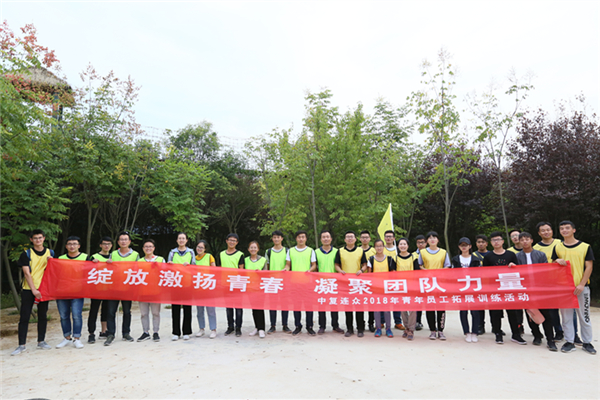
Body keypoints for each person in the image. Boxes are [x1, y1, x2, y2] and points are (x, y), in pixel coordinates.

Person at [552, 221, 596, 355]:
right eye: (561, 228)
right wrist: (556, 261)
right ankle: (569, 341)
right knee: (566, 317)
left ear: (574, 230)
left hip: (581, 288)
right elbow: (553, 265)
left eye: (567, 228)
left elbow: (589, 266)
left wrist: (582, 284)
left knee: (584, 316)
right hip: (564, 288)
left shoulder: (585, 247)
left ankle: (587, 342)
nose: (564, 230)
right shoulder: (558, 247)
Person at [12, 230, 54, 356]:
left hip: (44, 288)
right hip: (28, 289)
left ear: (44, 238)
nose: (38, 240)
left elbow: (53, 270)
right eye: (35, 238)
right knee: (24, 316)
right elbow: (26, 273)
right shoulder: (26, 253)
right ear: (31, 240)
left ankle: (41, 341)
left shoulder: (50, 253)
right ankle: (21, 344)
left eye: (40, 238)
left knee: (42, 315)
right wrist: (34, 290)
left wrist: (51, 261)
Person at [515, 232, 557, 351]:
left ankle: (550, 339)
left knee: (546, 314)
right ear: (519, 242)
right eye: (522, 240)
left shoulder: (540, 255)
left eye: (527, 239)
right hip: (525, 289)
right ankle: (537, 335)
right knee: (530, 314)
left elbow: (545, 271)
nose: (525, 242)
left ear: (532, 240)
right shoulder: (517, 256)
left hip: (540, 289)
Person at [482, 231, 524, 345]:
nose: (496, 242)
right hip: (494, 288)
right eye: (494, 240)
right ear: (491, 242)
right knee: (495, 312)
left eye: (498, 240)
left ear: (503, 241)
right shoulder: (488, 257)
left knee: (513, 312)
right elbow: (484, 273)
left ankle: (516, 334)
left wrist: (513, 267)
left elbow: (518, 270)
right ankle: (498, 333)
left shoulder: (511, 254)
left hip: (509, 287)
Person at [104, 231, 139, 346]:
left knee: (127, 311)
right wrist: (107, 263)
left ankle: (126, 333)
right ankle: (110, 334)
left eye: (125, 239)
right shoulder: (113, 254)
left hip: (127, 288)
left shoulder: (135, 255)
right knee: (111, 312)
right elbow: (107, 269)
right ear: (118, 242)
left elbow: (140, 270)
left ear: (129, 241)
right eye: (121, 239)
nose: (123, 241)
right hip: (113, 287)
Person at [533, 221, 565, 342]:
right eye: (543, 230)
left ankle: (569, 333)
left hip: (560, 281)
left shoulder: (561, 243)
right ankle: (556, 332)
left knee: (565, 309)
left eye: (548, 229)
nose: (546, 232)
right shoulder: (536, 248)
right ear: (539, 233)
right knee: (550, 310)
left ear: (552, 231)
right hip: (544, 283)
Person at [55, 236, 87, 349]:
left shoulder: (85, 257)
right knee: (64, 316)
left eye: (74, 244)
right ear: (66, 246)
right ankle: (67, 337)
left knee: (76, 315)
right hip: (62, 291)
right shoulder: (60, 258)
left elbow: (90, 272)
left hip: (78, 291)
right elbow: (55, 273)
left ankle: (76, 338)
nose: (72, 246)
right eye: (69, 244)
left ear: (79, 246)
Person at [418, 231, 451, 340]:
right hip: (428, 284)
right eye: (430, 238)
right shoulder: (423, 252)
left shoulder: (443, 252)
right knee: (430, 307)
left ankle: (441, 330)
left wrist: (438, 272)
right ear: (427, 241)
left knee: (441, 307)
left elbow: (447, 265)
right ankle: (432, 330)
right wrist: (428, 271)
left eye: (434, 237)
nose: (432, 239)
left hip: (440, 283)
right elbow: (419, 265)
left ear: (438, 240)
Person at [335, 231, 368, 337]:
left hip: (358, 283)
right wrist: (340, 271)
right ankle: (349, 328)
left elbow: (365, 264)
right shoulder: (340, 251)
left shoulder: (360, 251)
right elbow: (336, 264)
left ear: (355, 239)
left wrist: (361, 270)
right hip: (345, 283)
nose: (349, 238)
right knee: (348, 306)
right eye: (347, 237)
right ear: (345, 240)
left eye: (351, 237)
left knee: (359, 306)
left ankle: (360, 329)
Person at [285, 230, 317, 336]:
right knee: (296, 306)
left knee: (309, 306)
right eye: (299, 237)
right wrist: (285, 269)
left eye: (303, 237)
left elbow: (314, 265)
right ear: (296, 239)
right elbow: (288, 265)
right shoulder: (291, 250)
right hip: (295, 282)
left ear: (306, 238)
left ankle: (309, 326)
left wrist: (310, 270)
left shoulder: (310, 250)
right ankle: (298, 326)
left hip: (307, 282)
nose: (301, 239)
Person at [313, 230, 344, 335]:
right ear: (321, 239)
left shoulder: (337, 251)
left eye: (327, 237)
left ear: (331, 239)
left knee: (334, 304)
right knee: (321, 305)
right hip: (321, 282)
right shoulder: (316, 252)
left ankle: (335, 325)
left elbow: (339, 265)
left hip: (334, 282)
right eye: (323, 237)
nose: (326, 239)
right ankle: (322, 326)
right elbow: (314, 266)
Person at [450, 237, 481, 343]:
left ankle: (474, 332)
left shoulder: (476, 259)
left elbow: (480, 274)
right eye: (462, 245)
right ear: (459, 247)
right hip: (461, 288)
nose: (464, 247)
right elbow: (453, 273)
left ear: (470, 246)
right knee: (463, 311)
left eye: (466, 245)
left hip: (473, 288)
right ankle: (466, 332)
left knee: (475, 311)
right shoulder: (455, 259)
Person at [167, 232, 195, 341]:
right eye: (179, 238)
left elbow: (194, 267)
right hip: (175, 283)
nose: (181, 240)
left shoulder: (191, 252)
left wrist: (189, 266)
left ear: (187, 240)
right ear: (177, 240)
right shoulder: (172, 252)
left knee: (187, 308)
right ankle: (176, 332)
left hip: (187, 283)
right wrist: (169, 265)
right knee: (175, 309)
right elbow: (167, 268)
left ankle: (186, 332)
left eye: (183, 238)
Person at [137, 239, 164, 342]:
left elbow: (166, 273)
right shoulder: (139, 261)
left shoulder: (160, 259)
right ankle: (145, 332)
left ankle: (156, 332)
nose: (148, 248)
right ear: (143, 248)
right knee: (144, 313)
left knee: (155, 313)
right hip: (142, 291)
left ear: (154, 248)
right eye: (146, 246)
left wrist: (158, 267)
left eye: (150, 246)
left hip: (156, 291)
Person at [368, 239, 396, 338]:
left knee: (387, 309)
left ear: (384, 247)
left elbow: (393, 273)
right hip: (375, 288)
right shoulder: (371, 259)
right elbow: (369, 274)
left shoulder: (389, 259)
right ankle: (378, 328)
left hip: (386, 288)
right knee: (376, 309)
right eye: (377, 246)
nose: (379, 248)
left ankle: (388, 328)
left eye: (381, 246)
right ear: (374, 248)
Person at [265, 230, 291, 334]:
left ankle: (285, 325)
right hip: (272, 281)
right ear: (272, 239)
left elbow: (288, 264)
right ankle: (273, 325)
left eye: (278, 237)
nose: (276, 239)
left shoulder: (287, 250)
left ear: (282, 239)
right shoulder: (268, 251)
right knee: (272, 305)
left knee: (285, 304)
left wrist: (285, 269)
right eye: (274, 237)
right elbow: (266, 266)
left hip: (284, 281)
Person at [87, 237, 111, 344]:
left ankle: (104, 331)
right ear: (100, 245)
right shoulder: (94, 256)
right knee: (94, 310)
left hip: (109, 288)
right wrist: (92, 263)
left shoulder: (113, 256)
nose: (106, 246)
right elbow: (87, 270)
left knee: (106, 310)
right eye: (104, 244)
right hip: (96, 288)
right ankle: (91, 333)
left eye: (109, 244)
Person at [220, 233, 245, 337]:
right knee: (228, 307)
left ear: (237, 242)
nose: (231, 242)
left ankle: (238, 327)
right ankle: (230, 327)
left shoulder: (240, 254)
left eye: (234, 241)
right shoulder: (222, 254)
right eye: (230, 240)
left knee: (238, 308)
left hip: (237, 283)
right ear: (226, 241)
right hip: (226, 284)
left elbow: (241, 270)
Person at [397, 238, 419, 340]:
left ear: (408, 246)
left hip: (412, 286)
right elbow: (392, 272)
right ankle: (406, 328)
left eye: (404, 244)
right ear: (398, 246)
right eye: (400, 244)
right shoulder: (395, 258)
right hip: (400, 287)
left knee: (413, 309)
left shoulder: (414, 257)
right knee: (403, 309)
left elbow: (417, 272)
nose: (402, 246)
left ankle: (411, 329)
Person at [194, 240, 217, 339]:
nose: (199, 249)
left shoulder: (209, 256)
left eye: (201, 247)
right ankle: (201, 328)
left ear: (205, 249)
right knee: (199, 310)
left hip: (208, 286)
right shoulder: (193, 258)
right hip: (198, 287)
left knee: (210, 309)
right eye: (198, 247)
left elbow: (214, 270)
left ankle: (213, 329)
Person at [245, 241, 267, 339]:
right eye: (251, 247)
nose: (253, 249)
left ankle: (262, 328)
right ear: (248, 249)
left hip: (260, 288)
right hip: (250, 288)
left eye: (255, 247)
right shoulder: (245, 260)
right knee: (253, 309)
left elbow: (266, 273)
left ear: (258, 249)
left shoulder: (263, 260)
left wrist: (261, 273)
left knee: (260, 308)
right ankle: (257, 327)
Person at [473, 234, 490, 335]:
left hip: (491, 283)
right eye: (479, 242)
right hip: (478, 284)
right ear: (476, 244)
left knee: (494, 305)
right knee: (480, 305)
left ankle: (496, 327)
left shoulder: (492, 254)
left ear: (487, 243)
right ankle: (480, 326)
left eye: (483, 242)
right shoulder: (473, 255)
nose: (481, 244)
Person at [360, 230, 377, 332]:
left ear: (370, 239)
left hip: (372, 280)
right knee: (360, 303)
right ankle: (361, 324)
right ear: (360, 239)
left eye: (366, 237)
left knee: (371, 303)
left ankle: (371, 323)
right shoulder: (357, 250)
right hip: (359, 281)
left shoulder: (374, 250)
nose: (365, 239)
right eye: (363, 237)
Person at [413, 234, 427, 331]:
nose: (420, 244)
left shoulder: (429, 253)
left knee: (431, 302)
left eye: (422, 242)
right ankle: (417, 321)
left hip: (429, 281)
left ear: (426, 243)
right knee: (418, 302)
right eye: (419, 242)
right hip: (417, 281)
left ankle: (434, 324)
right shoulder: (413, 255)